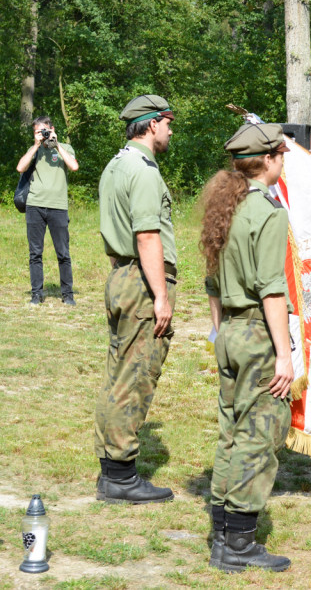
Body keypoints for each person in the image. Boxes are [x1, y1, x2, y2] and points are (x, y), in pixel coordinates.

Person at [200, 123, 293, 572]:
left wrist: (220, 332)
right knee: (260, 436)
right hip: (256, 332)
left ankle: (221, 530)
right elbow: (272, 289)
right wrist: (285, 354)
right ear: (271, 158)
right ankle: (238, 543)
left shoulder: (227, 207)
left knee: (232, 430)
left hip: (231, 333)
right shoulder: (268, 212)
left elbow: (213, 281)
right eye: (282, 154)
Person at [94, 94, 178, 504]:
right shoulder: (143, 171)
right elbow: (147, 235)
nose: (170, 131)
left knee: (118, 373)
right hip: (142, 281)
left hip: (121, 274)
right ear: (151, 124)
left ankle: (112, 469)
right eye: (168, 123)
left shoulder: (115, 164)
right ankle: (121, 477)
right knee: (136, 375)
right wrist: (160, 295)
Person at [16, 115, 79, 305]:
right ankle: (37, 294)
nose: (41, 134)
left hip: (58, 207)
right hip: (35, 205)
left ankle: (67, 295)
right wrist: (36, 145)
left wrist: (57, 144)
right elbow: (20, 167)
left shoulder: (65, 148)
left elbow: (74, 167)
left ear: (51, 129)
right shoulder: (34, 150)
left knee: (63, 253)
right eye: (37, 132)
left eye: (44, 131)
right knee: (35, 253)